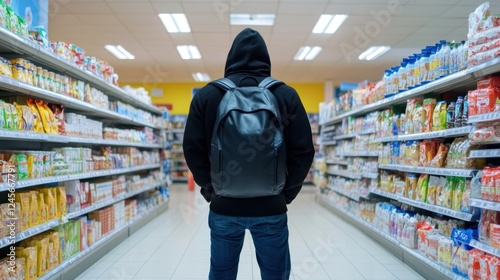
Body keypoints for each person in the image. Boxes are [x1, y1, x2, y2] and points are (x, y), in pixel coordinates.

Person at [183, 28, 315, 280]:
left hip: (224, 206)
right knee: (275, 275)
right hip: (271, 206)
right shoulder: (285, 95)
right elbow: (303, 150)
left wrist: (211, 189)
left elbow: (192, 149)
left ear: (230, 59)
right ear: (266, 59)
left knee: (222, 273)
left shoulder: (208, 96)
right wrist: (285, 193)